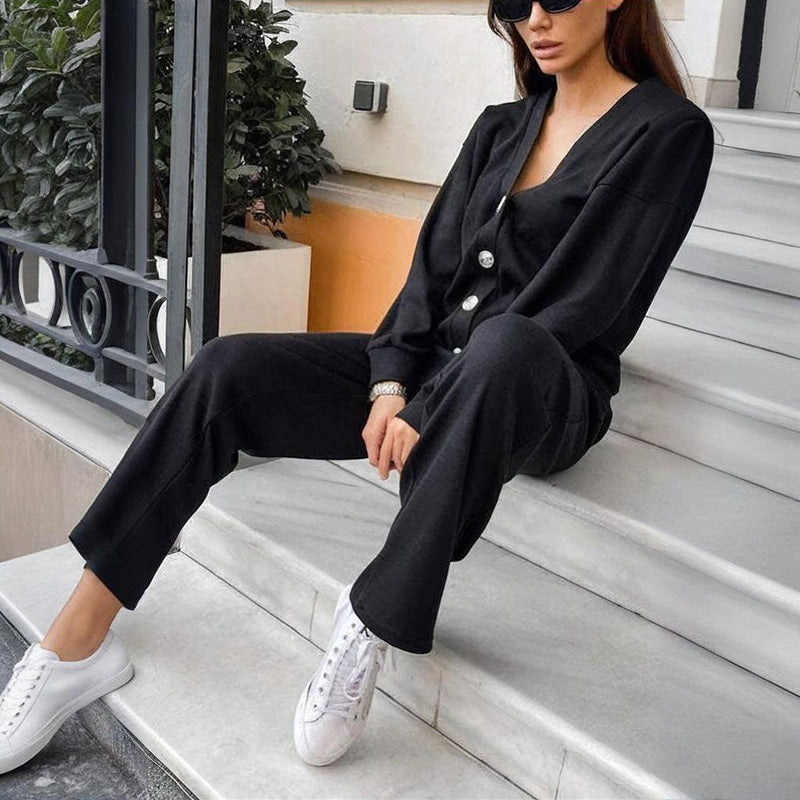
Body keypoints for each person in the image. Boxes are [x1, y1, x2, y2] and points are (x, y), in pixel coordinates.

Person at [0, 0, 715, 775]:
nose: (534, 19)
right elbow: (430, 276)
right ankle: (74, 642)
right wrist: (391, 383)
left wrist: (432, 407)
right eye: (515, 3)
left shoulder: (666, 132)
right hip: (438, 367)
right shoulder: (500, 129)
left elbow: (583, 301)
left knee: (503, 345)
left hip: (545, 388)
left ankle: (372, 616)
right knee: (225, 369)